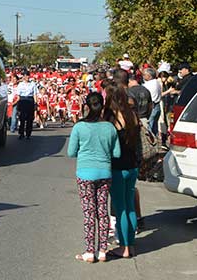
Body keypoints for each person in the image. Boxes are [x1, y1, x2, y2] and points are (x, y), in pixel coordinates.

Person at [67, 92, 120, 263]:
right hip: (104, 172)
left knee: (89, 212)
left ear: (86, 107)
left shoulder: (79, 127)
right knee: (102, 211)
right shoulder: (110, 127)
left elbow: (71, 152)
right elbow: (117, 153)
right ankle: (103, 250)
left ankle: (90, 251)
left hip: (85, 173)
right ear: (102, 106)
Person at [104, 83, 141, 259]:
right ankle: (131, 245)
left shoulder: (113, 119)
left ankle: (124, 248)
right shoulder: (133, 115)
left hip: (117, 167)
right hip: (132, 165)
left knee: (120, 209)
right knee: (130, 206)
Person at [15, 74, 37, 140]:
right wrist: (18, 104)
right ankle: (21, 133)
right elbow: (18, 95)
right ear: (23, 77)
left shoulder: (32, 84)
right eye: (25, 76)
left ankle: (28, 134)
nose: (26, 77)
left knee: (30, 119)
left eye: (27, 75)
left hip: (30, 100)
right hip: (22, 100)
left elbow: (35, 94)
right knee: (22, 118)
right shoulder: (20, 84)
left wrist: (35, 103)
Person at [142, 67, 162, 135]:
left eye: (144, 75)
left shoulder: (147, 85)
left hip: (151, 107)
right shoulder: (157, 82)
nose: (143, 76)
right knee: (154, 127)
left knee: (149, 128)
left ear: (149, 76)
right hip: (157, 106)